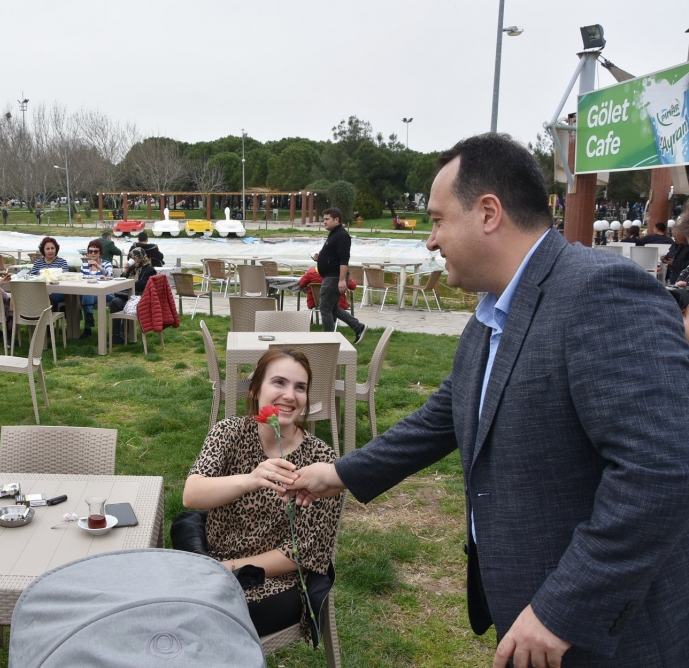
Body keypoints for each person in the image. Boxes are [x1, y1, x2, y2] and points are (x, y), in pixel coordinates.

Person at [285, 133, 689, 667]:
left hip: (606, 631)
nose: (430, 241)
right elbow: (443, 418)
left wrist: (560, 609)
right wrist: (338, 474)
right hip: (527, 604)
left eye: (436, 219)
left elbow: (659, 469)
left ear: (489, 213)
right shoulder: (492, 312)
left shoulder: (599, 293)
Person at [179, 348, 342, 641]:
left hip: (273, 580)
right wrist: (252, 479)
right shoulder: (229, 432)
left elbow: (300, 552)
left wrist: (225, 570)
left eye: (300, 387)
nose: (290, 395)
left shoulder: (321, 459)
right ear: (256, 389)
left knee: (201, 621)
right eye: (279, 382)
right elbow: (192, 495)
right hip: (211, 556)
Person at [311, 208, 366, 344]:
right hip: (331, 276)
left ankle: (328, 341)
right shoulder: (334, 234)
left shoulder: (342, 235)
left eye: (327, 219)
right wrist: (321, 257)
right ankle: (358, 327)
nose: (324, 222)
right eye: (323, 219)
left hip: (334, 278)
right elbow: (334, 256)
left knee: (325, 308)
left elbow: (344, 259)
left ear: (336, 220)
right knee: (332, 308)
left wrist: (342, 280)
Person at [108, 247, 156, 344]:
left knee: (128, 305)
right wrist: (125, 271)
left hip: (139, 298)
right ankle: (116, 334)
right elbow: (121, 281)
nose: (134, 261)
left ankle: (125, 334)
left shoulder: (149, 269)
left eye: (135, 258)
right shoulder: (132, 269)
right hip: (127, 295)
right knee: (115, 302)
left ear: (142, 257)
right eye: (132, 258)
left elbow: (142, 284)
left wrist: (129, 283)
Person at [78, 239, 114, 339]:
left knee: (86, 295)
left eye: (95, 251)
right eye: (90, 251)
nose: (93, 253)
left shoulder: (106, 263)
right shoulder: (85, 265)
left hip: (105, 293)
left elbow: (111, 275)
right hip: (90, 293)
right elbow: (81, 279)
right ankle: (89, 318)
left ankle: (87, 328)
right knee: (87, 293)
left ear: (100, 253)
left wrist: (99, 267)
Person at [30, 236, 68, 309]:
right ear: (43, 250)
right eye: (47, 249)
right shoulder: (38, 262)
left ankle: (48, 318)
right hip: (40, 290)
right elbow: (32, 277)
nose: (50, 251)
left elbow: (64, 277)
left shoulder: (62, 262)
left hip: (58, 290)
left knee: (50, 297)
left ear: (56, 249)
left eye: (52, 248)